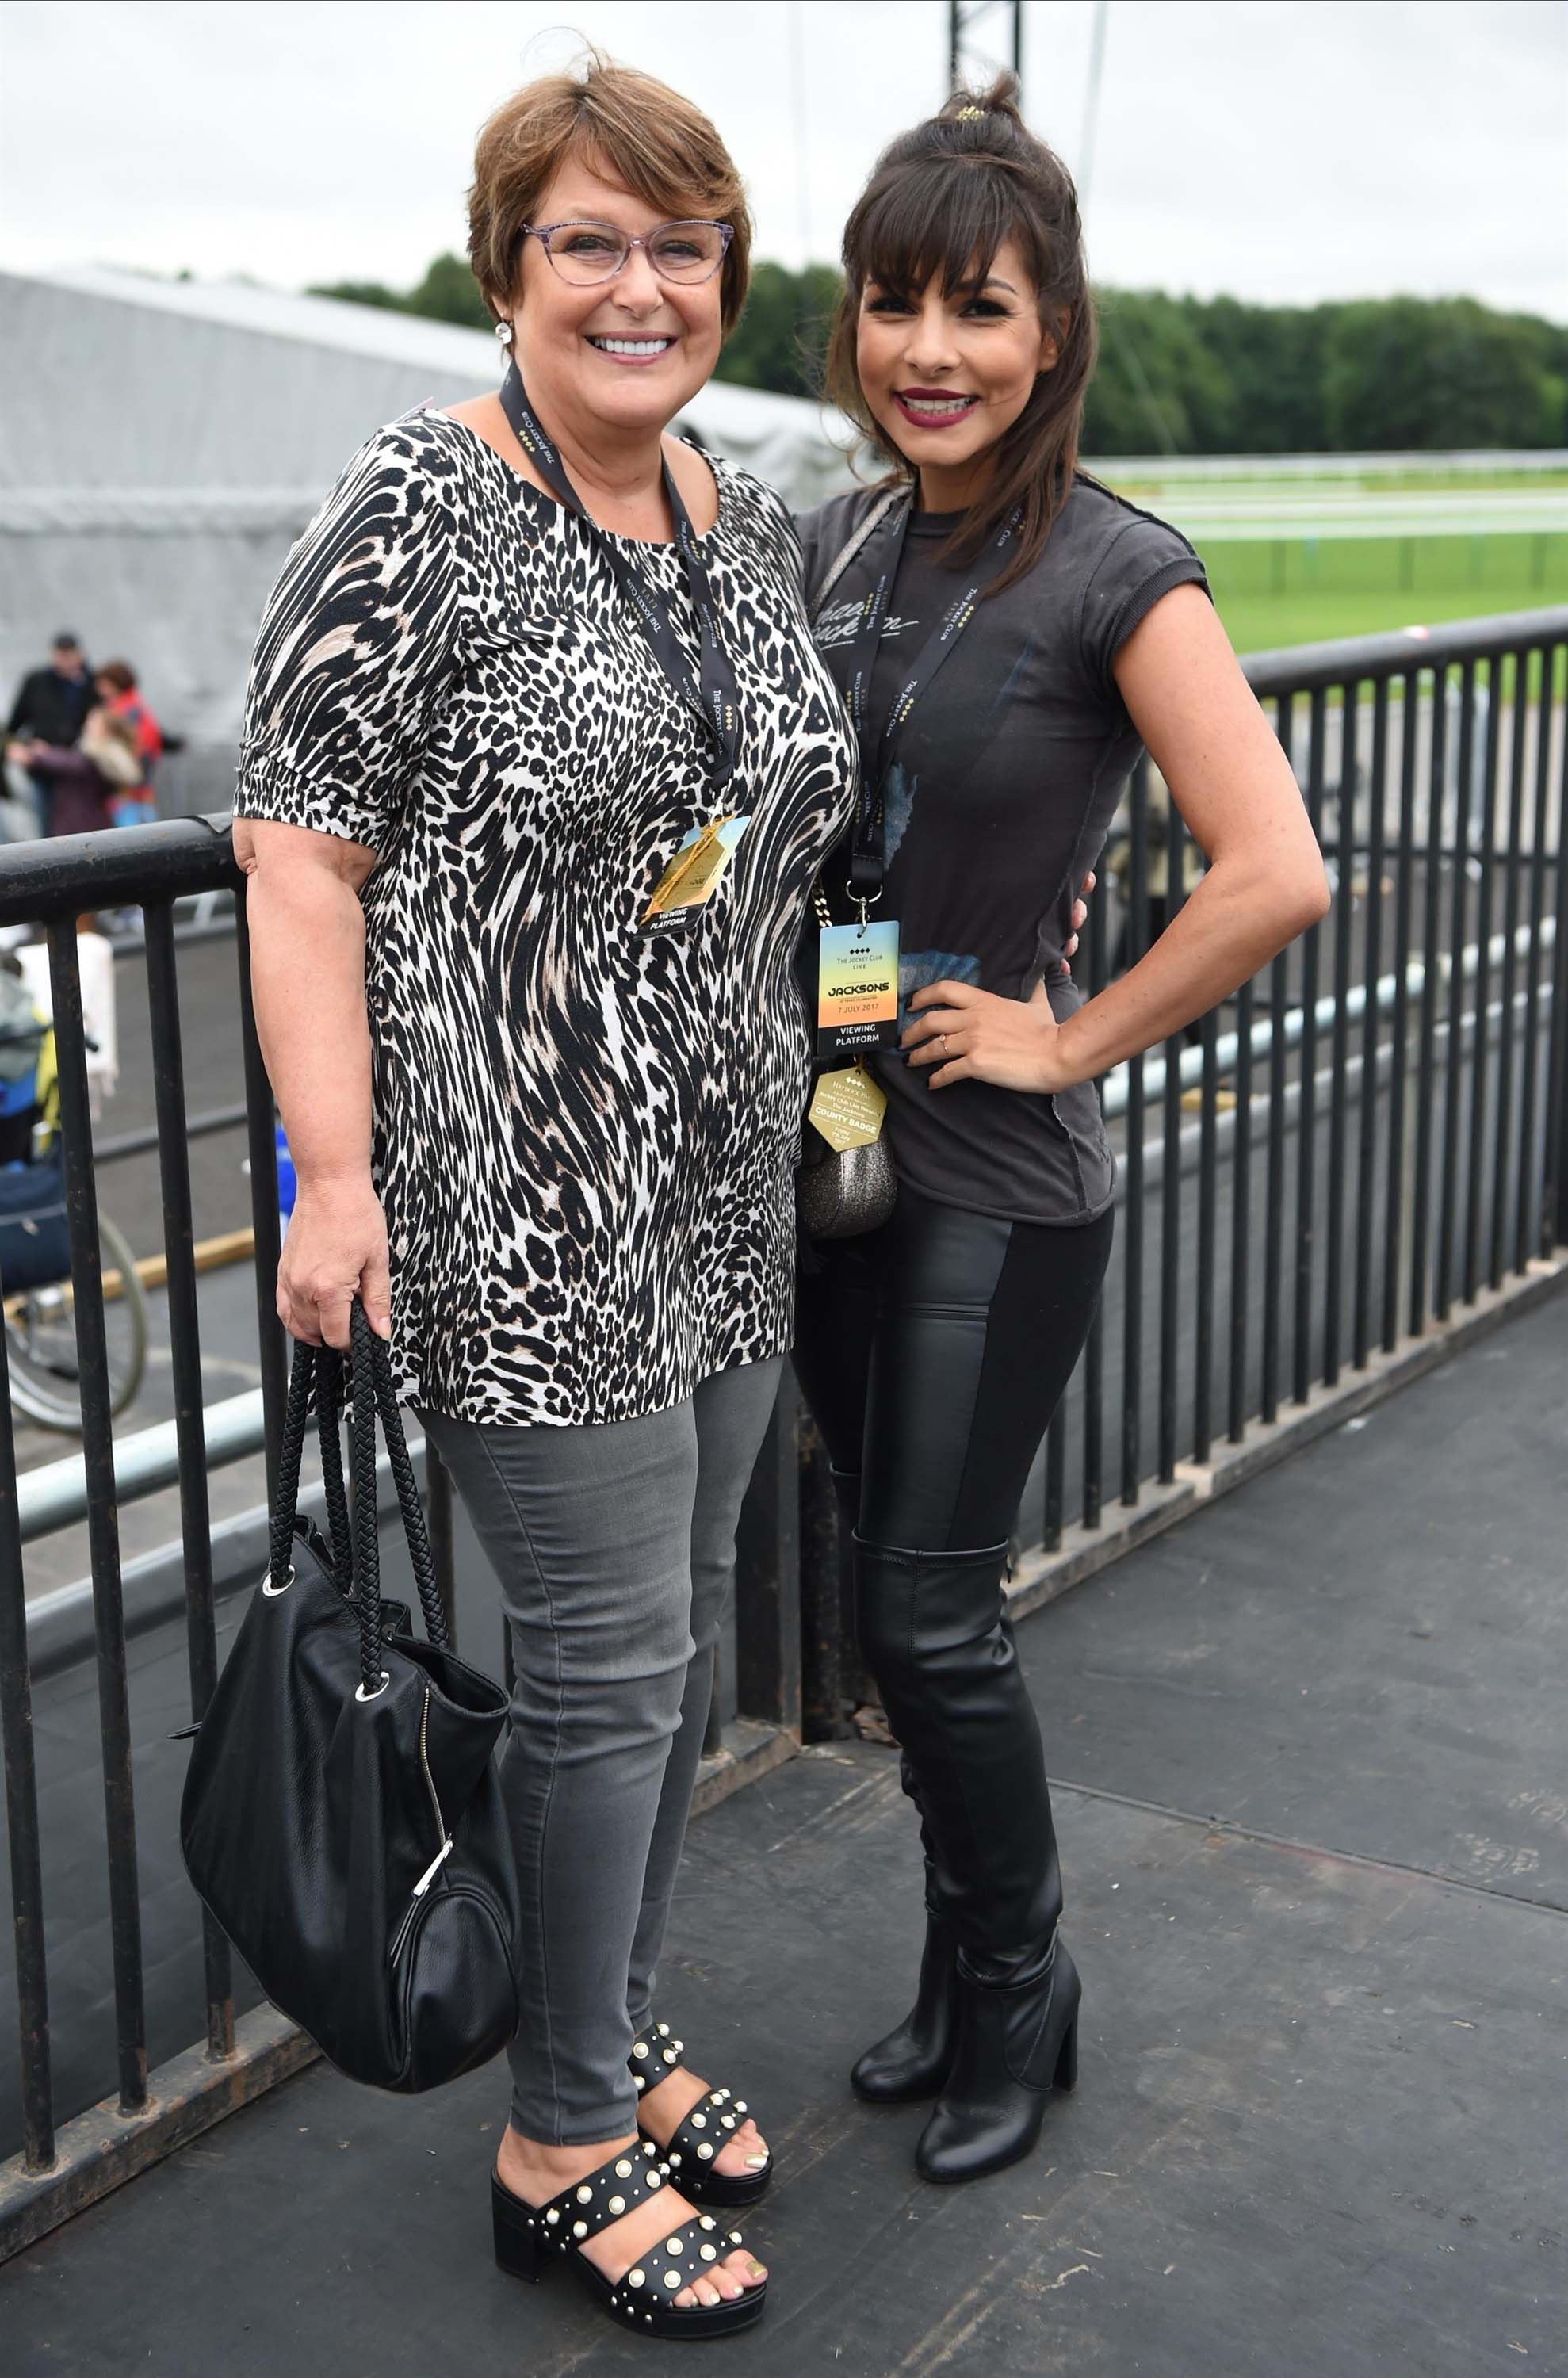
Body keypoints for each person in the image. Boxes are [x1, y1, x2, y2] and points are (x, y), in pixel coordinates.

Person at [231, 54, 856, 2346]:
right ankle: (559, 2137)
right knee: (607, 1674)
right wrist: (331, 1174)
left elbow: (786, 816)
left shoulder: (739, 503)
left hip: (720, 1189)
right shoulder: (416, 502)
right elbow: (295, 848)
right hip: (522, 1194)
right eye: (588, 241)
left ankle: (612, 2010)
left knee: (670, 1649)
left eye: (678, 247)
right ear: (507, 272)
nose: (637, 285)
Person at [793, 77, 1329, 2189]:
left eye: (979, 310)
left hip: (992, 1185)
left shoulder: (1119, 565)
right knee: (882, 1600)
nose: (931, 349)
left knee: (928, 1604)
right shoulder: (830, 540)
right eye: (894, 303)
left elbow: (1272, 865)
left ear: (1049, 334)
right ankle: (959, 1976)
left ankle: (1023, 1985)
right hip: (834, 1150)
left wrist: (1068, 1033)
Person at [6, 704, 140, 839]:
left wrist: (36, 756)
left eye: (93, 721)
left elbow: (71, 763)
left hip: (80, 830)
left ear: (107, 731)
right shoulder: (107, 759)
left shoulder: (96, 759)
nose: (87, 724)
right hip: (92, 828)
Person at [6, 633, 93, 832]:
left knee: (81, 825)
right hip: (43, 769)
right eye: (60, 654)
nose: (64, 659)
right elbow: (15, 723)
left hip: (77, 771)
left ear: (78, 655)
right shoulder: (36, 682)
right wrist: (17, 748)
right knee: (48, 823)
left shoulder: (89, 683)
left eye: (68, 654)